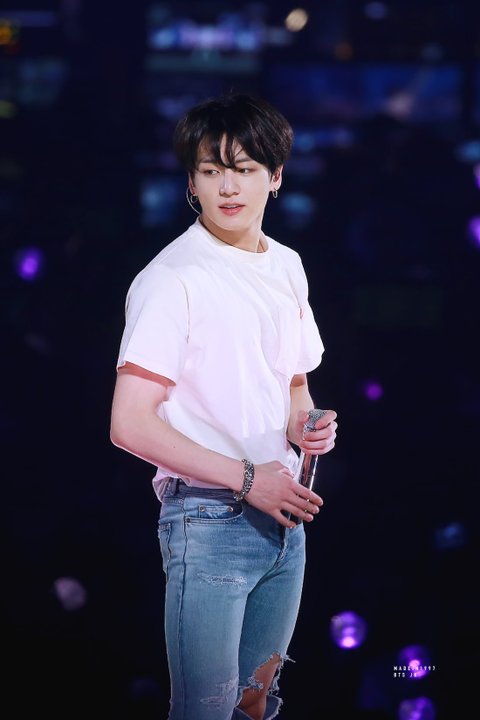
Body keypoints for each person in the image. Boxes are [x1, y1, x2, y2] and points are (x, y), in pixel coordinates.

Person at [110, 93, 338, 720]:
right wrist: (248, 478)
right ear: (192, 183)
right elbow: (129, 423)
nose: (228, 187)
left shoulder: (287, 266)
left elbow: (293, 385)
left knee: (255, 707)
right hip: (209, 519)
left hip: (283, 518)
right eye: (211, 171)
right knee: (205, 711)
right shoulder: (173, 278)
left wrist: (307, 426)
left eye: (244, 169)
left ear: (276, 175)